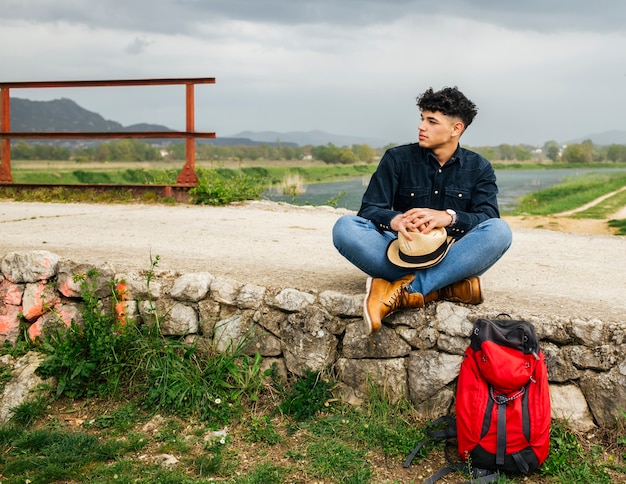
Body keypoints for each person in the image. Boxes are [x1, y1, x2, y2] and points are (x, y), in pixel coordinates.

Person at [332, 86, 512, 334]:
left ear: (455, 129)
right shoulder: (396, 158)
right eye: (421, 119)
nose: (421, 127)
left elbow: (487, 218)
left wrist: (448, 217)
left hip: (453, 257)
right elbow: (370, 210)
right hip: (400, 254)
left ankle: (406, 291)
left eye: (431, 121)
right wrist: (396, 221)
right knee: (344, 227)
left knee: (500, 231)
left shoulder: (479, 168)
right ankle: (446, 287)